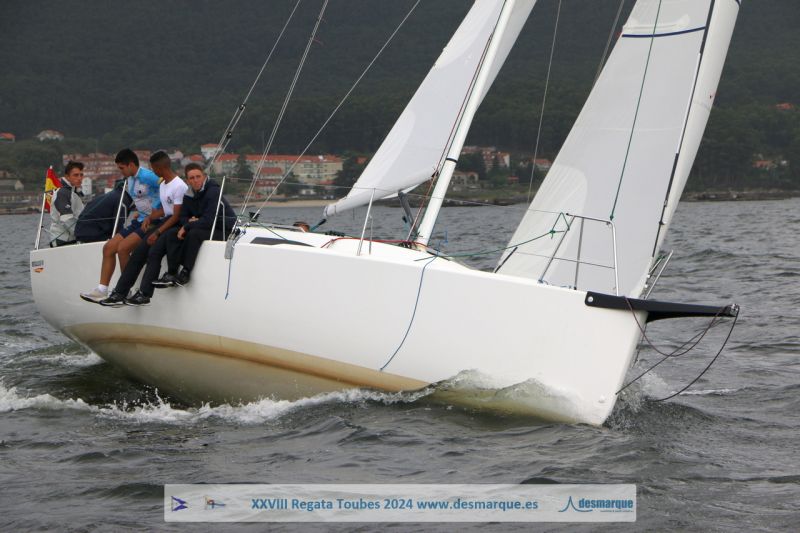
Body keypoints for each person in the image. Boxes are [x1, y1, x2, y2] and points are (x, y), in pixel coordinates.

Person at [99, 151, 188, 306]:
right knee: (138, 253)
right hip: (163, 221)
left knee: (152, 252)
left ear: (160, 168)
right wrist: (149, 217)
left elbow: (176, 215)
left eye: (153, 169)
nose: (152, 172)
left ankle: (144, 293)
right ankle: (120, 292)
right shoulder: (164, 185)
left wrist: (157, 232)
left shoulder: (179, 186)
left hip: (174, 224)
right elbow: (164, 208)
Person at [80, 148, 162, 303]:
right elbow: (141, 198)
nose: (120, 171)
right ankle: (102, 290)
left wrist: (153, 212)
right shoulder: (129, 179)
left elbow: (165, 188)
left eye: (121, 168)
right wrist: (139, 211)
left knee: (123, 249)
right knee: (109, 248)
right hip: (140, 219)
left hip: (153, 221)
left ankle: (125, 290)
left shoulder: (148, 176)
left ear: (131, 165)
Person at [151, 163, 236, 288]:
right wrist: (189, 222)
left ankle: (185, 272)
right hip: (205, 225)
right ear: (187, 181)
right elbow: (183, 216)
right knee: (171, 234)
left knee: (193, 234)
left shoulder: (213, 191)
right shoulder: (188, 194)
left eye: (198, 176)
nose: (196, 180)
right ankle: (172, 273)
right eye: (192, 178)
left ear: (204, 177)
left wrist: (188, 226)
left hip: (223, 229)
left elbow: (209, 220)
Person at [49, 161, 86, 246]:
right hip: (62, 241)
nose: (79, 178)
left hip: (71, 239)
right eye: (76, 175)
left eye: (81, 175)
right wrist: (83, 234)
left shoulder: (73, 193)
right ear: (67, 177)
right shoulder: (63, 193)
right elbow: (66, 219)